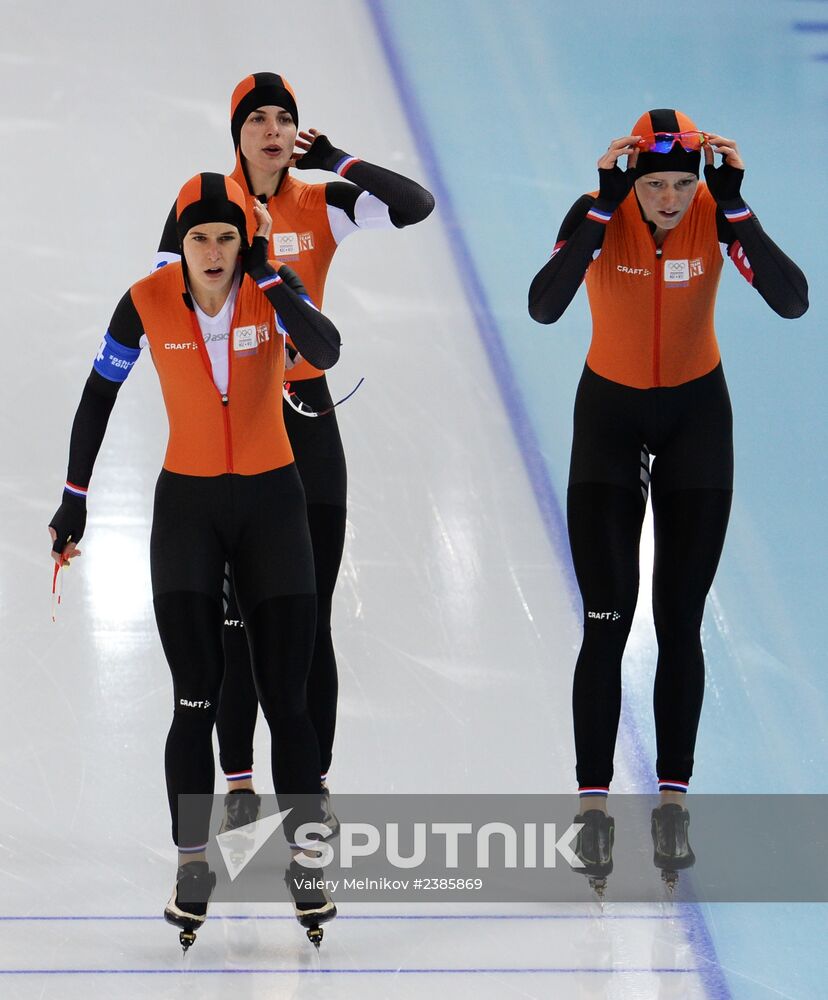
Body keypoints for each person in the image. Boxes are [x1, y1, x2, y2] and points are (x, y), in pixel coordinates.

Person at [49, 173, 341, 948]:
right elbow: (98, 393)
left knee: (289, 698)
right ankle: (192, 863)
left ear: (247, 241)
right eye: (198, 238)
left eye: (226, 238)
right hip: (188, 513)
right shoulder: (144, 300)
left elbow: (326, 349)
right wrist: (74, 495)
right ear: (177, 243)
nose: (213, 252)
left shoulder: (269, 289)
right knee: (195, 699)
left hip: (275, 505)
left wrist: (276, 280)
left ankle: (307, 862)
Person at [528, 109, 808, 889]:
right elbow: (544, 305)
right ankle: (591, 811)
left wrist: (738, 206)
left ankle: (674, 804)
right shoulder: (600, 216)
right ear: (632, 177)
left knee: (680, 618)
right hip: (609, 421)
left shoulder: (717, 216)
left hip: (695, 420)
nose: (671, 200)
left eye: (684, 184)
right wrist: (599, 203)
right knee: (607, 615)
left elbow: (793, 300)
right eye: (655, 185)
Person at [155, 73, 435, 831]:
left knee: (308, 618)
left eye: (286, 119)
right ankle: (240, 779)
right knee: (235, 623)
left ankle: (313, 786)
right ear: (236, 132)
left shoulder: (320, 205)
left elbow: (414, 206)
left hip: (306, 422)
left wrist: (339, 160)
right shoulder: (207, 214)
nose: (274, 131)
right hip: (234, 433)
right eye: (259, 120)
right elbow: (166, 317)